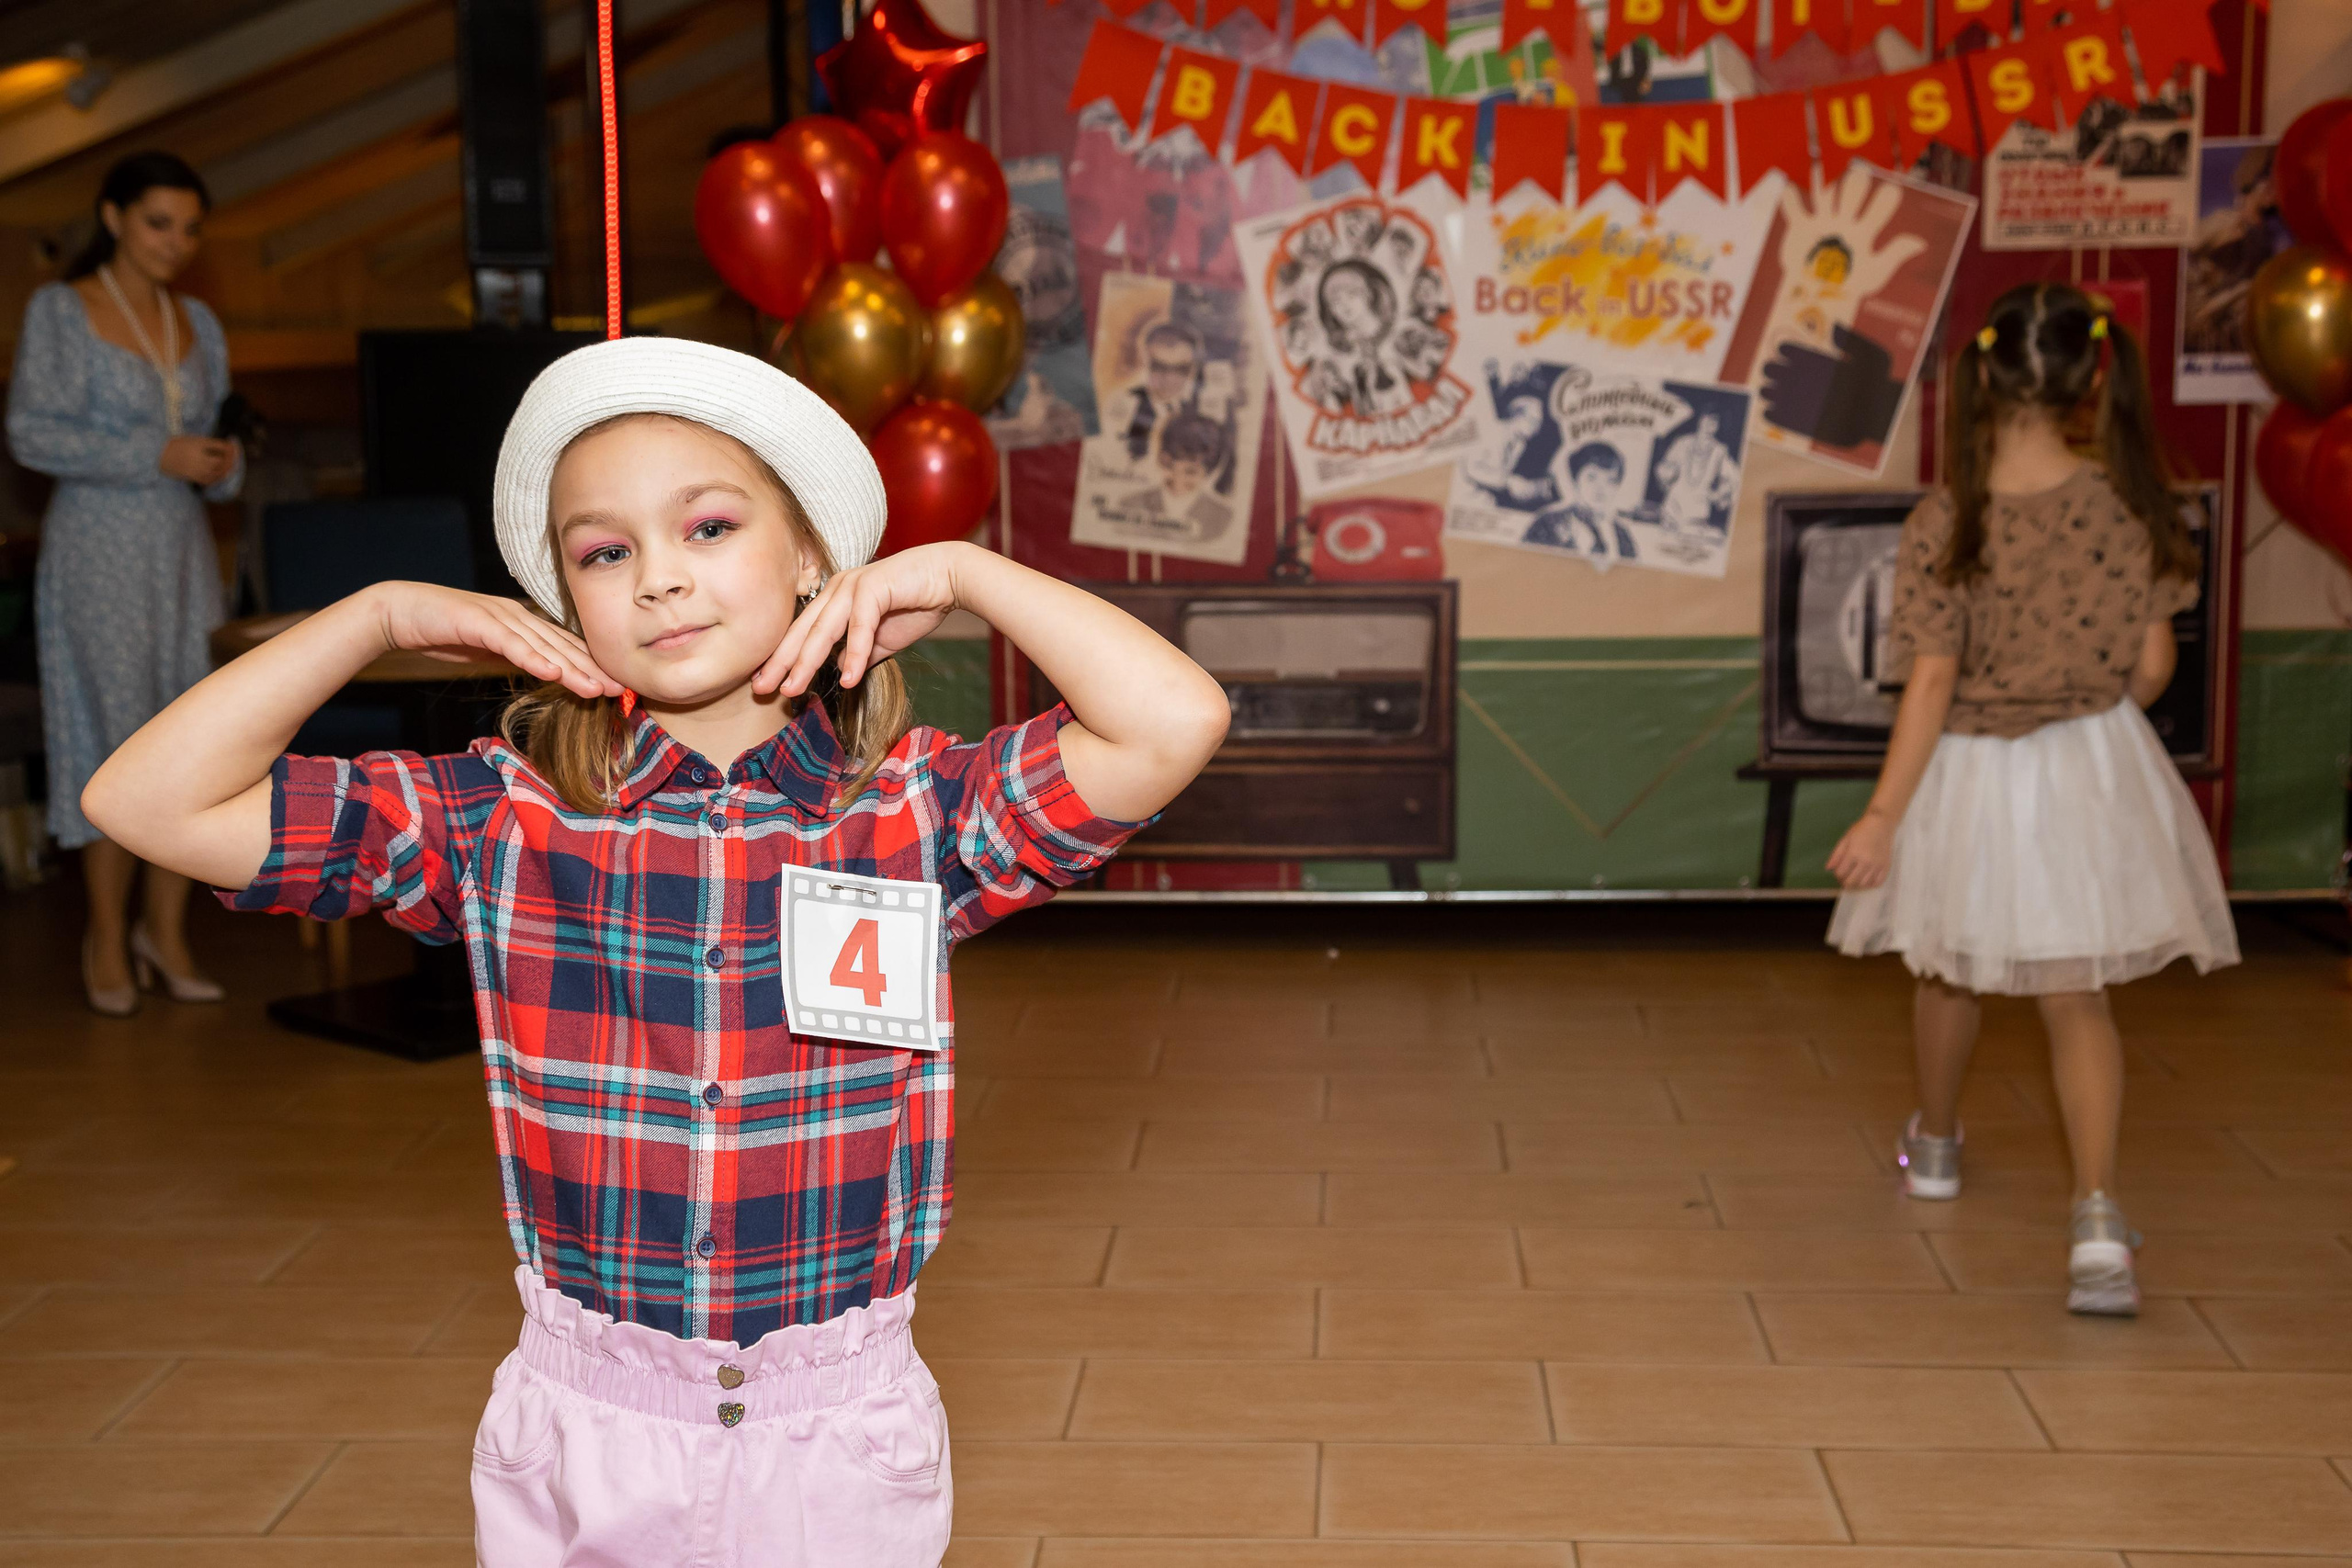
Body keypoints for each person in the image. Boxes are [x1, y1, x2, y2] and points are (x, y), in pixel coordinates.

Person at [81, 337, 1230, 1566]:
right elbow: (145, 801)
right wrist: (373, 619)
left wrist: (966, 568)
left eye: (711, 528)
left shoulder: (912, 808)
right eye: (606, 551)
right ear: (567, 598)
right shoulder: (498, 820)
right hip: (589, 1428)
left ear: (807, 558)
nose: (661, 580)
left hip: (835, 1429)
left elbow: (1175, 720)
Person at [1825, 283, 2237, 1318]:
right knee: (2075, 992)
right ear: (2095, 379)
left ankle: (1935, 1145)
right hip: (2089, 765)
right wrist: (2090, 702)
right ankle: (2097, 1219)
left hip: (1969, 769)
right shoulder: (2130, 508)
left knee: (1950, 964)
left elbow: (1927, 680)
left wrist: (1881, 813)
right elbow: (2149, 667)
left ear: (1976, 373)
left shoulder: (1946, 519)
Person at [6, 150, 242, 1016]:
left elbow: (212, 441)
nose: (175, 243)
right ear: (112, 218)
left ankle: (165, 929)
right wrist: (154, 453)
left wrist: (219, 462)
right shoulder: (61, 311)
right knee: (113, 740)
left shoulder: (199, 323)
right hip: (97, 545)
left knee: (192, 737)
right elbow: (31, 432)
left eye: (188, 228)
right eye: (157, 223)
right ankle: (105, 933)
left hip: (181, 546)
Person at [1655, 411, 1739, 534]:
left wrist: (1718, 495)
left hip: (1698, 512)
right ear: (1700, 421)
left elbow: (1733, 479)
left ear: (1719, 426)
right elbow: (1663, 469)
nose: (1710, 424)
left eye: (1714, 422)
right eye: (1707, 419)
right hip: (1673, 507)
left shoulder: (1720, 451)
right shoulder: (1682, 442)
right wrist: (1666, 478)